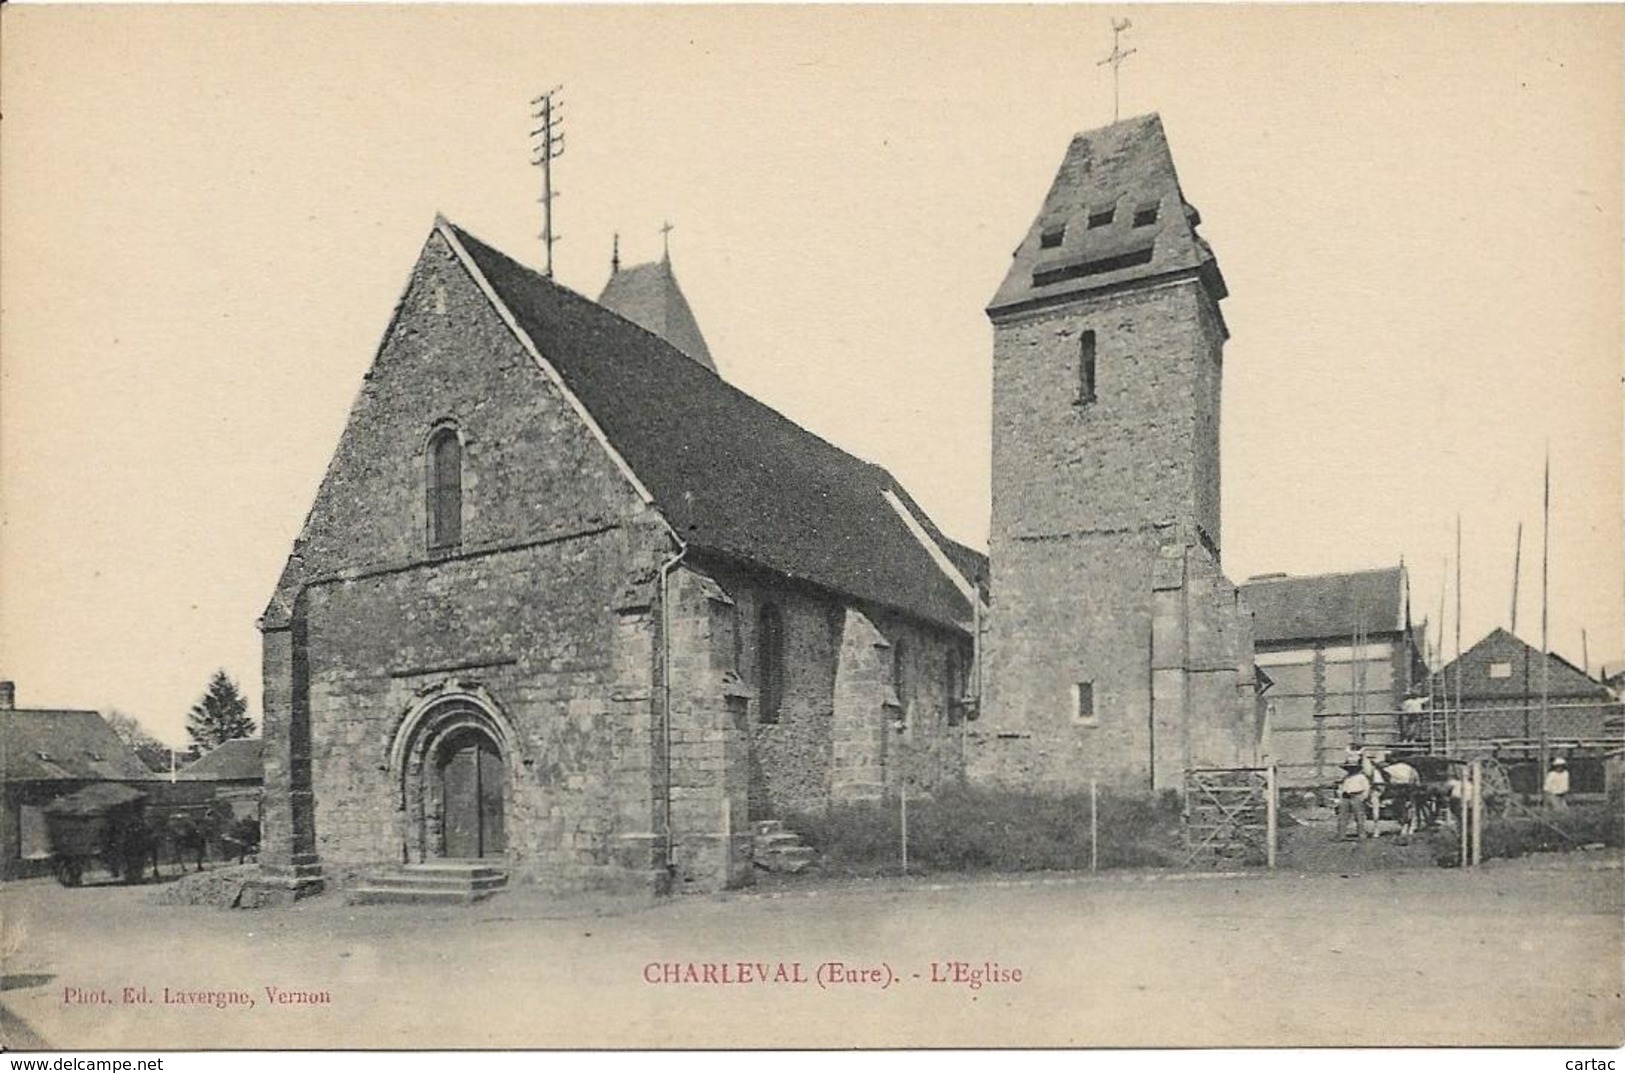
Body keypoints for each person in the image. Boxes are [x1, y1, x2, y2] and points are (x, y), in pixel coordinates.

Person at [1335, 762, 1371, 841]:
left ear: (1356, 769)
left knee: (1359, 816)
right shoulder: (1346, 777)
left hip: (1357, 796)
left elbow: (1367, 787)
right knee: (1342, 816)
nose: (1351, 770)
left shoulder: (1361, 777)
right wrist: (1341, 795)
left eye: (1352, 768)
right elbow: (1341, 787)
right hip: (1346, 797)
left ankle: (1361, 835)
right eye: (1349, 768)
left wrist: (1364, 797)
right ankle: (1341, 835)